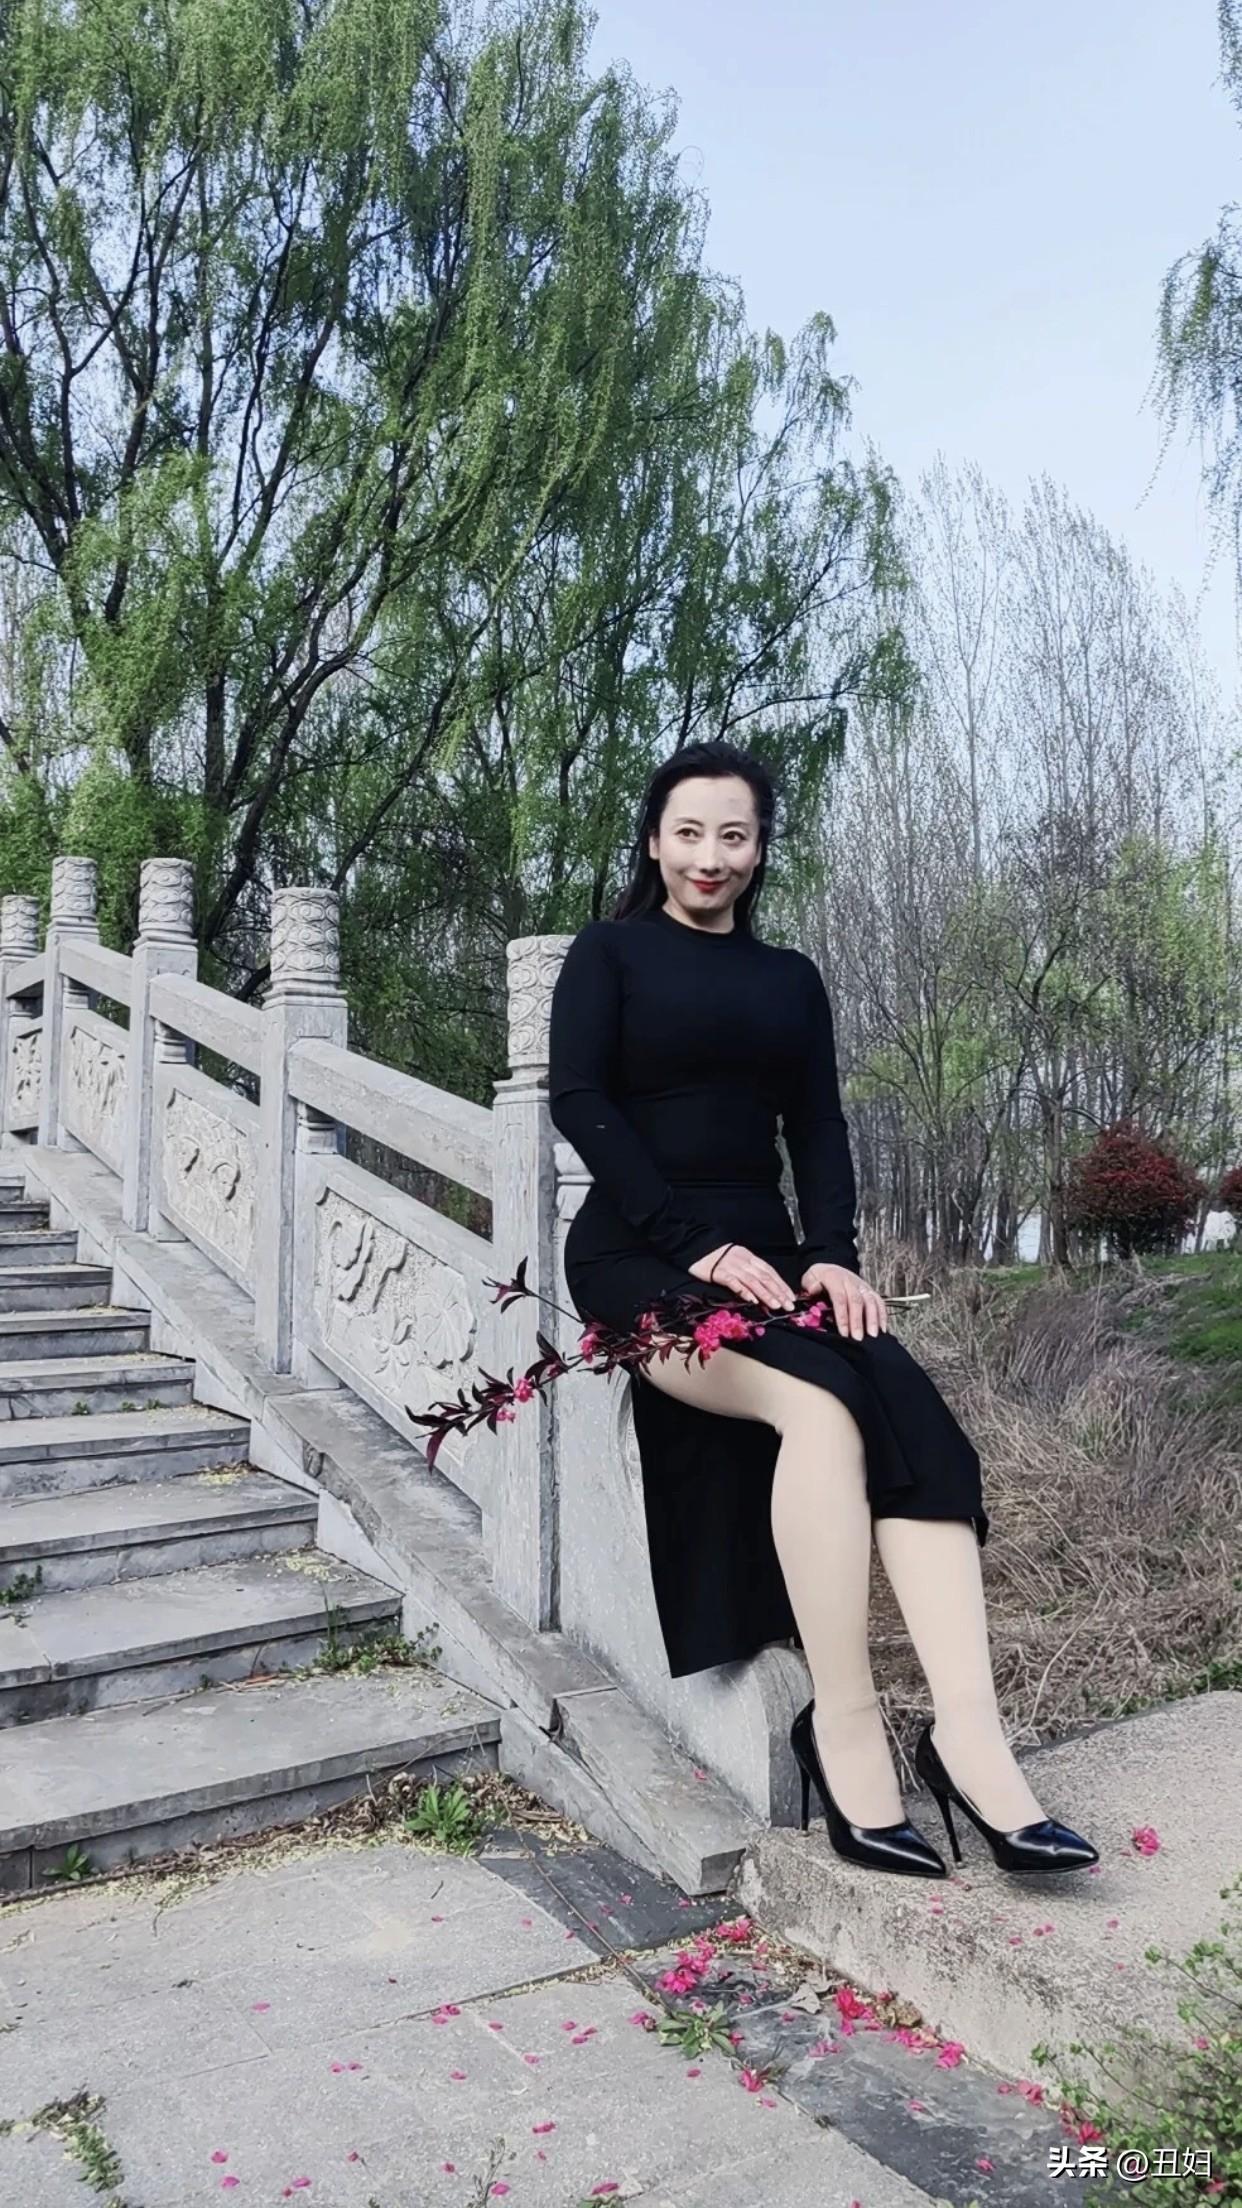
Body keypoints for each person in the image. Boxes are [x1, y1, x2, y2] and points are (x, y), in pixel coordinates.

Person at [547, 740, 1097, 1879]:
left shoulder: (790, 979)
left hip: (773, 1258)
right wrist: (697, 1243)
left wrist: (833, 1258)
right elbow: (579, 1098)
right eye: (689, 832)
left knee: (911, 1410)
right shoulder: (609, 953)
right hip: (643, 1258)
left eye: (734, 834)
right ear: (653, 841)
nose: (710, 855)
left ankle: (970, 1738)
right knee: (823, 1408)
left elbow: (820, 1128)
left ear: (760, 850)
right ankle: (844, 1727)